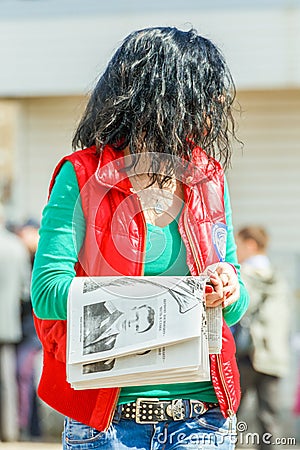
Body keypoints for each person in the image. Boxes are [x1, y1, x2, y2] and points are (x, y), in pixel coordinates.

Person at [31, 27, 249, 450]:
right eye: (203, 92)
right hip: (109, 425)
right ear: (160, 95)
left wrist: (228, 287)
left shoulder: (208, 177)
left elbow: (236, 307)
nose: (217, 105)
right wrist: (165, 297)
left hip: (203, 421)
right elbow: (47, 293)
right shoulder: (81, 176)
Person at [235, 226, 290, 450]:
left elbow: (239, 310)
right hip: (274, 358)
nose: (235, 250)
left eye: (237, 245)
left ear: (250, 244)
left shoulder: (243, 275)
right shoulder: (280, 279)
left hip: (247, 355)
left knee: (230, 417)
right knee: (269, 419)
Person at [0, 205, 31, 442]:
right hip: (7, 325)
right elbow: (25, 291)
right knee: (8, 381)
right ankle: (10, 431)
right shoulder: (16, 247)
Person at [83, 302, 155, 353]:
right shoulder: (101, 305)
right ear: (133, 309)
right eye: (136, 316)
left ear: (135, 333)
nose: (131, 323)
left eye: (136, 327)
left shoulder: (109, 347)